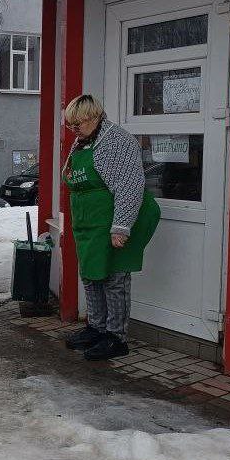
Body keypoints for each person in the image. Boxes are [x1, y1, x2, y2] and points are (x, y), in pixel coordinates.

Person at [62, 94, 160, 360]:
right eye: (71, 125)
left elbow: (129, 186)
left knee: (114, 279)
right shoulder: (82, 143)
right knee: (92, 276)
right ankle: (96, 328)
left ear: (94, 117)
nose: (74, 129)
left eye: (78, 124)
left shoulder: (117, 141)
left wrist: (121, 227)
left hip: (114, 223)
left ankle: (116, 338)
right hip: (89, 226)